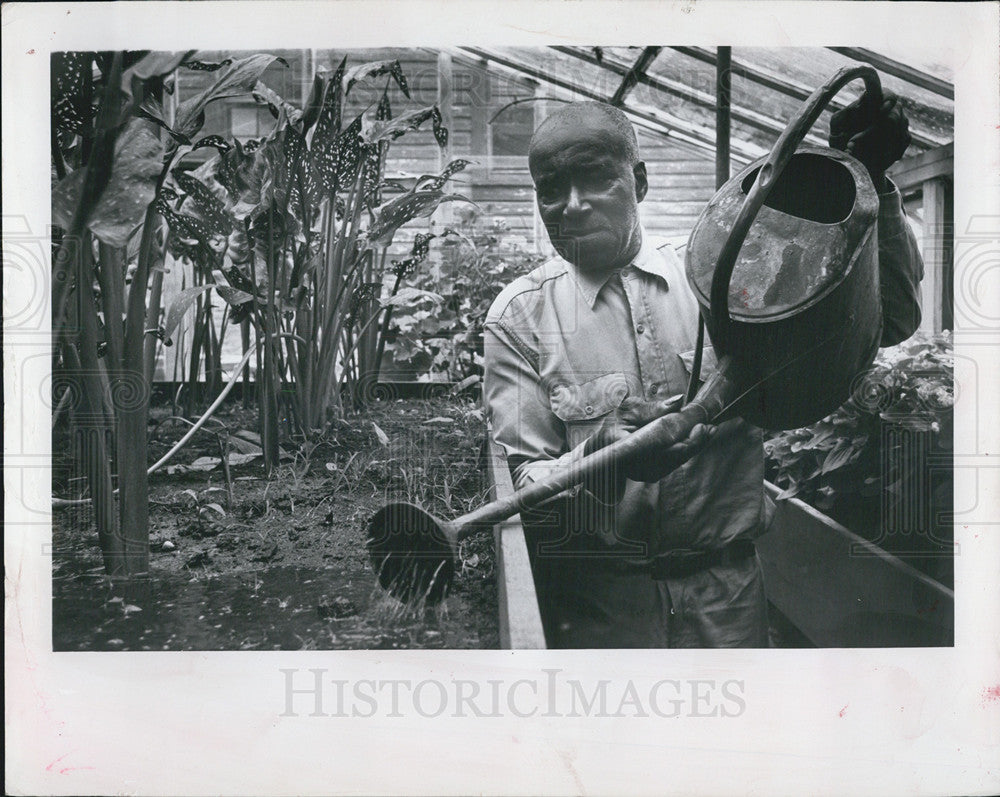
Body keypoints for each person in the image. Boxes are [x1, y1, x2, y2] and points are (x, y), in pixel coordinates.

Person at [482, 94, 922, 648]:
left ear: (638, 182)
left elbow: (893, 320)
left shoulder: (723, 274)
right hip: (599, 610)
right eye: (551, 187)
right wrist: (601, 460)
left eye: (595, 179)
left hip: (728, 598)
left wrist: (870, 186)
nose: (571, 205)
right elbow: (524, 482)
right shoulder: (520, 318)